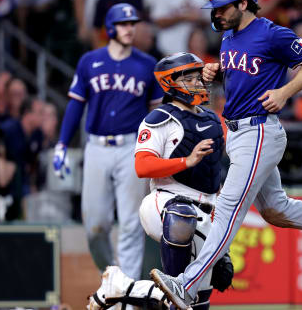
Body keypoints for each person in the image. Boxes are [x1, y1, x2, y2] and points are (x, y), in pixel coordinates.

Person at [149, 0, 302, 310]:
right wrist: (216, 69)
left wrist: (285, 91)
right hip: (239, 132)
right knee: (275, 210)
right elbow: (243, 69)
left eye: (222, 6)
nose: (216, 13)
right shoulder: (229, 35)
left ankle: (186, 285)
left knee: (227, 210)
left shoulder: (271, 32)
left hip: (259, 131)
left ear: (243, 3)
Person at [89, 52, 231, 310]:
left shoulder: (211, 119)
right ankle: (161, 286)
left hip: (207, 210)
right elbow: (142, 166)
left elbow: (213, 174)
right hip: (166, 201)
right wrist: (186, 161)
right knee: (181, 218)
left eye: (198, 76)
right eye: (190, 77)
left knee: (194, 302)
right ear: (171, 83)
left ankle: (123, 288)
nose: (199, 82)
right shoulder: (160, 117)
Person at [53, 3, 164, 280]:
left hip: (131, 147)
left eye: (132, 24)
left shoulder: (147, 64)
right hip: (97, 147)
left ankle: (125, 289)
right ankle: (111, 275)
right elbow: (76, 105)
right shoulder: (90, 61)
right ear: (110, 27)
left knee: (130, 222)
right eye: (124, 24)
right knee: (95, 225)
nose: (130, 28)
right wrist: (62, 144)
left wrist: (157, 148)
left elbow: (156, 113)